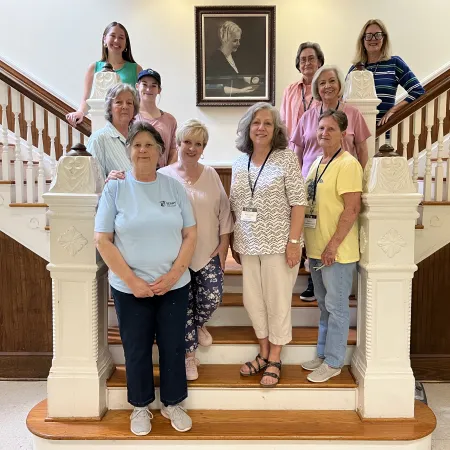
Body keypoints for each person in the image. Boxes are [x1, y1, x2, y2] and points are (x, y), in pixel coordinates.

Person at [94, 121, 197, 435]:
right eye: (136, 145)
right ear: (129, 151)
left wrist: (174, 274)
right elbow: (102, 239)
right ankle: (139, 407)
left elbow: (190, 233)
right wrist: (133, 280)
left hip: (173, 285)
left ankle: (173, 402)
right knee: (136, 348)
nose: (142, 150)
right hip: (129, 287)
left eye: (149, 145)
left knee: (173, 345)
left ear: (160, 151)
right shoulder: (116, 187)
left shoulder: (173, 187)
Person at [230, 102, 307, 387]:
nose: (261, 128)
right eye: (256, 123)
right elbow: (235, 205)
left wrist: (294, 242)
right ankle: (263, 351)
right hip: (248, 244)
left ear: (275, 130)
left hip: (278, 243)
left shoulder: (286, 158)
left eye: (267, 123)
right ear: (248, 128)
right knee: (253, 302)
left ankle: (275, 356)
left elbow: (299, 203)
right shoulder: (239, 162)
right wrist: (234, 243)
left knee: (277, 302)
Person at [159, 119, 233, 381]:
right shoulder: (164, 176)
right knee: (181, 307)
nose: (192, 148)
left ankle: (199, 323)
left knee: (211, 297)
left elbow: (224, 211)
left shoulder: (211, 174)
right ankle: (190, 357)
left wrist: (224, 245)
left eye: (198, 144)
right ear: (178, 143)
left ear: (203, 149)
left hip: (207, 252)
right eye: (187, 142)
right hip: (174, 256)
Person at [290, 65, 370, 302]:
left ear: (339, 85)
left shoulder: (353, 114)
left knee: (333, 226)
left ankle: (335, 278)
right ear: (316, 88)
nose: (327, 86)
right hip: (311, 180)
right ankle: (313, 280)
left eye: (331, 81)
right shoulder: (307, 117)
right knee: (312, 229)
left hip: (341, 182)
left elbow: (363, 149)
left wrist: (363, 181)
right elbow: (297, 151)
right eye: (322, 82)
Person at [300, 110, 362, 383]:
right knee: (324, 306)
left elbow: (352, 209)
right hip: (316, 248)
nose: (324, 133)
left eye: (331, 129)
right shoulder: (316, 162)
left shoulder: (348, 164)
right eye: (321, 128)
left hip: (336, 251)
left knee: (337, 306)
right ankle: (324, 353)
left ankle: (335, 361)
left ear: (344, 133)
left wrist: (333, 245)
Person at [349, 19, 424, 126]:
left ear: (384, 38)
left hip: (383, 132)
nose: (373, 39)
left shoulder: (395, 63)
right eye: (368, 35)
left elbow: (418, 91)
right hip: (356, 135)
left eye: (378, 35)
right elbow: (344, 100)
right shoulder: (355, 68)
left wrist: (393, 110)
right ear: (363, 40)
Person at [66, 22, 143, 127]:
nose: (116, 40)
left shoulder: (136, 69)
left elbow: (141, 102)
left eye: (121, 37)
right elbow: (86, 100)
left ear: (126, 43)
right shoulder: (94, 68)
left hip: (128, 125)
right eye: (113, 36)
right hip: (101, 124)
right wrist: (80, 112)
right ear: (104, 39)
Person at [87, 83, 138, 180]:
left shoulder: (139, 137)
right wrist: (108, 180)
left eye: (129, 103)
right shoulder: (98, 139)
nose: (125, 106)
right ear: (110, 108)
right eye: (119, 102)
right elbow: (92, 183)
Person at [280, 42, 324, 138]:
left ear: (319, 62)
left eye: (311, 59)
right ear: (299, 65)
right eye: (303, 60)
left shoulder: (326, 90)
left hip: (317, 147)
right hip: (293, 147)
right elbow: (282, 122)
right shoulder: (289, 90)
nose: (307, 63)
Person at [135, 68, 178, 167]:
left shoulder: (170, 120)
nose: (148, 89)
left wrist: (167, 173)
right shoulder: (131, 118)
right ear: (137, 86)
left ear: (159, 90)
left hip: (162, 176)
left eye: (153, 86)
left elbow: (173, 150)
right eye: (144, 84)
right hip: (135, 175)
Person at [205, 21, 259, 96]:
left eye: (239, 40)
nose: (238, 43)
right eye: (235, 41)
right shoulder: (215, 59)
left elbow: (237, 76)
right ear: (225, 40)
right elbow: (216, 87)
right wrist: (241, 91)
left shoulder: (235, 57)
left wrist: (252, 79)